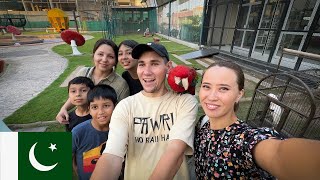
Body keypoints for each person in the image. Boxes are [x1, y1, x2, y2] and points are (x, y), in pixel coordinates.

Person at [194, 61, 320, 179]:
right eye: (206, 86)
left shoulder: (243, 140)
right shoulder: (203, 123)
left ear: (239, 94)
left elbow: (278, 154)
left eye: (224, 88)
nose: (211, 96)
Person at [91, 42, 199, 180]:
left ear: (168, 67)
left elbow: (175, 152)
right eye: (141, 64)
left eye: (154, 64)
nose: (146, 72)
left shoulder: (184, 102)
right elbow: (112, 155)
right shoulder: (125, 106)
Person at [56, 38, 129, 124]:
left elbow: (121, 114)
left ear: (115, 61)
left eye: (110, 56)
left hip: (104, 128)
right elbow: (76, 94)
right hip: (79, 120)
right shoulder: (83, 72)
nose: (104, 59)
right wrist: (64, 108)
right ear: (93, 55)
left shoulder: (121, 84)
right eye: (100, 54)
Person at [72, 84, 117, 180]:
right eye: (95, 107)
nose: (101, 111)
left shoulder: (121, 130)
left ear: (115, 106)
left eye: (106, 106)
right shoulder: (78, 132)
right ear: (89, 109)